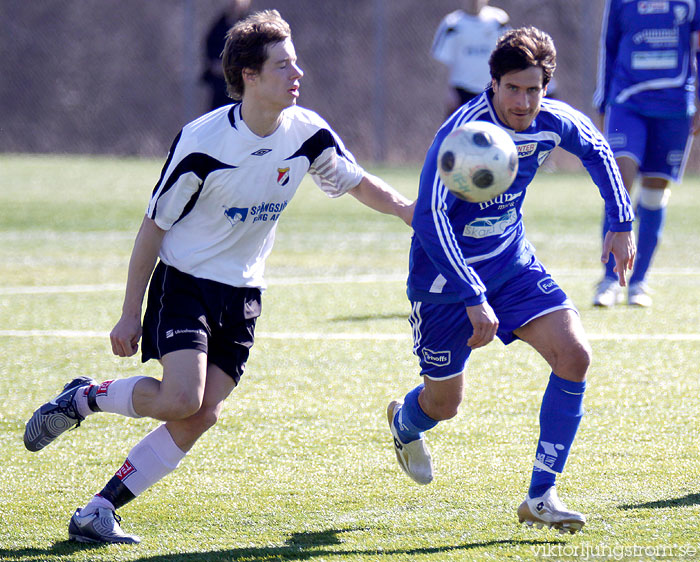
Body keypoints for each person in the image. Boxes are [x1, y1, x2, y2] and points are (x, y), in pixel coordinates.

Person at [23, 9, 414, 544]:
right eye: (283, 66)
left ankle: (98, 511)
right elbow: (153, 227)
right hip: (186, 282)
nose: (296, 75)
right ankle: (84, 398)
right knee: (182, 398)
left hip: (245, 292)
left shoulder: (306, 132)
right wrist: (129, 311)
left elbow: (358, 183)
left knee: (201, 414)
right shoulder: (204, 141)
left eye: (296, 63)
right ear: (249, 76)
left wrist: (410, 212)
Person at [387, 26, 635, 535]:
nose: (523, 102)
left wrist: (621, 221)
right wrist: (472, 296)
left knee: (575, 356)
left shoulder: (550, 120)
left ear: (545, 88)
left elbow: (597, 149)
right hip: (443, 282)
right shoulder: (459, 137)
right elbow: (431, 219)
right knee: (444, 405)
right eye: (513, 89)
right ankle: (404, 423)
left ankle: (541, 496)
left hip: (511, 264)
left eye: (534, 89)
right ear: (492, 84)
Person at [592, 0, 700, 307]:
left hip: (674, 106)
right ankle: (610, 279)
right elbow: (608, 47)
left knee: (654, 194)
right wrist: (603, 101)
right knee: (620, 186)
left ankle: (638, 282)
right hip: (626, 102)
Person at [431, 0, 510, 116]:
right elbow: (442, 61)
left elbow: (508, 55)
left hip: (492, 92)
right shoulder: (452, 23)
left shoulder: (498, 20)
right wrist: (448, 91)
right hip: (462, 92)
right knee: (457, 133)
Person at [201, 0, 252, 111]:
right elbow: (210, 50)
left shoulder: (252, 27)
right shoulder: (218, 26)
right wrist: (216, 65)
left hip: (243, 87)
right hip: (221, 87)